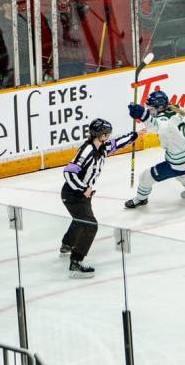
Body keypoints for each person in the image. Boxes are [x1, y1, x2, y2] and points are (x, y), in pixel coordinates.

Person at [59, 117, 139, 277]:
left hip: (82, 194)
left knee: (80, 220)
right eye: (106, 134)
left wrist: (135, 135)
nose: (108, 137)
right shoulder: (87, 150)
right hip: (73, 194)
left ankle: (67, 245)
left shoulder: (102, 147)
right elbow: (68, 171)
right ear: (100, 134)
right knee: (90, 225)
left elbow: (117, 143)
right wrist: (83, 189)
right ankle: (75, 263)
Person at [123, 90, 185, 208]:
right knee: (182, 174)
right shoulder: (177, 108)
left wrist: (144, 116)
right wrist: (147, 123)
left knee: (145, 177)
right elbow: (163, 125)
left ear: (160, 108)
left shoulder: (164, 121)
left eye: (151, 108)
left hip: (178, 161)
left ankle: (141, 199)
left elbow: (163, 127)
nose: (149, 110)